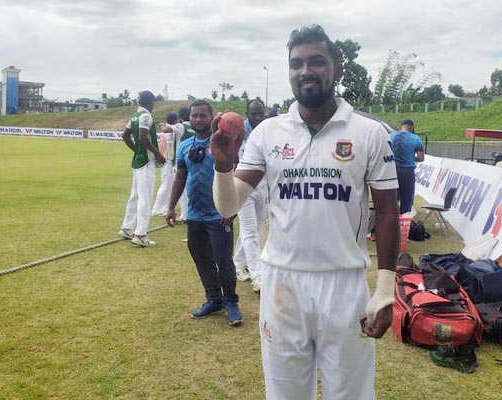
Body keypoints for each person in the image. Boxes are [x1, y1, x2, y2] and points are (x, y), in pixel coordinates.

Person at [211, 25, 399, 399]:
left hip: (343, 284)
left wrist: (385, 291)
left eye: (316, 61)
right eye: (296, 64)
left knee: (350, 393)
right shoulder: (268, 132)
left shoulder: (369, 132)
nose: (305, 71)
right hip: (282, 282)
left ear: (338, 69)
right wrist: (222, 166)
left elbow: (388, 213)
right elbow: (229, 206)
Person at [166, 100, 243, 326]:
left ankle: (231, 302)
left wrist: (231, 208)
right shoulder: (185, 146)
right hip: (195, 215)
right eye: (194, 115)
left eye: (202, 115)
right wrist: (170, 207)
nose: (198, 119)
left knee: (223, 260)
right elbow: (180, 177)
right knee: (201, 258)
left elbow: (236, 175)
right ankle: (214, 299)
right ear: (189, 119)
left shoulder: (222, 143)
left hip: (219, 214)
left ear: (211, 118)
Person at [118, 91, 165, 247]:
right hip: (146, 162)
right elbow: (143, 137)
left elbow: (125, 136)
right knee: (145, 198)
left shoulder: (134, 116)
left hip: (138, 161)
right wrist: (158, 153)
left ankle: (127, 228)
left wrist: (137, 150)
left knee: (135, 196)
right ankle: (140, 234)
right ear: (151, 102)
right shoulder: (146, 116)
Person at [233, 99, 267, 292]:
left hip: (262, 186)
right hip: (242, 186)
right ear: (247, 114)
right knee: (249, 230)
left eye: (260, 113)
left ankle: (238, 263)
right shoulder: (238, 132)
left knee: (253, 226)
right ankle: (257, 276)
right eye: (253, 114)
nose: (257, 117)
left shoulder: (267, 132)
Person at [151, 113, 184, 216]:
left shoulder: (169, 130)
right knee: (166, 185)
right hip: (168, 161)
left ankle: (164, 208)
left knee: (170, 186)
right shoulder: (168, 131)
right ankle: (157, 209)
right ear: (176, 120)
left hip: (169, 160)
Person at [390, 119, 424, 215]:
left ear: (401, 126)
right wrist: (412, 158)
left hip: (391, 170)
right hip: (407, 171)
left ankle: (390, 219)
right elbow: (421, 158)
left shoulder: (390, 136)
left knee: (390, 198)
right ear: (412, 128)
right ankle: (404, 220)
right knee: (407, 200)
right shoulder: (416, 138)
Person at [176, 106, 195, 223]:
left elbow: (167, 129)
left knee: (182, 189)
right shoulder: (194, 127)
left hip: (182, 159)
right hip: (194, 160)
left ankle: (185, 215)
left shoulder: (181, 126)